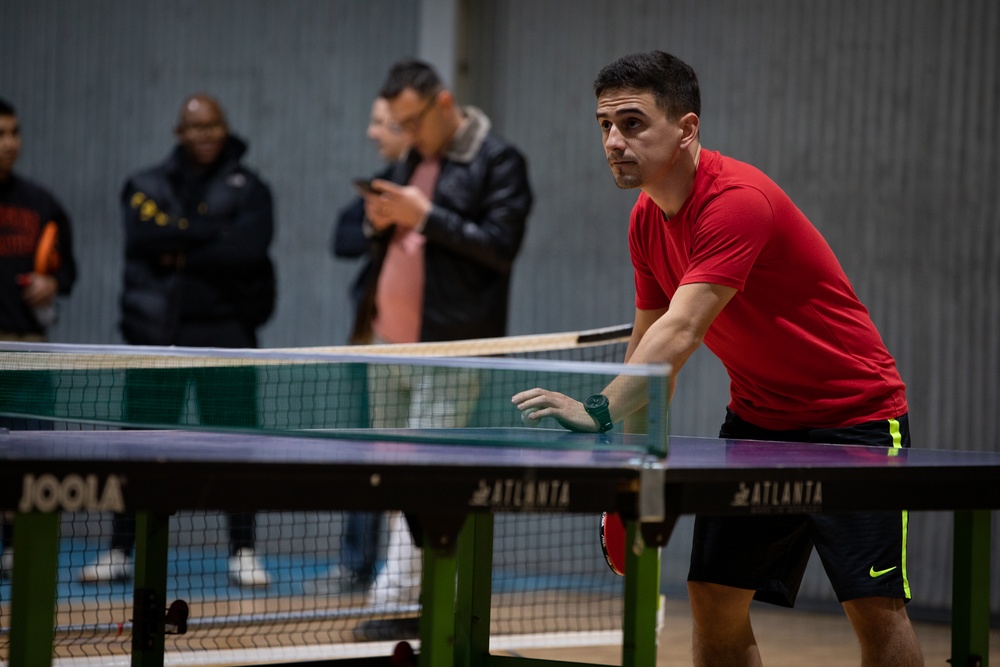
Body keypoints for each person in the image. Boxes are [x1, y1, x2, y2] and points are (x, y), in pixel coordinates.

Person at [512, 51, 924, 666]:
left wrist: (597, 409)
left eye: (632, 123)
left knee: (873, 607)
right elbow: (650, 343)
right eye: (604, 126)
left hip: (853, 418)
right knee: (713, 597)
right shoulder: (646, 220)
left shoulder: (736, 201)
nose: (614, 141)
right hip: (759, 422)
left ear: (686, 127)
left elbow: (684, 329)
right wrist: (631, 455)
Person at [350, 59, 533, 640]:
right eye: (396, 122)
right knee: (392, 472)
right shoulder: (413, 158)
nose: (406, 133)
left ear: (444, 103)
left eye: (411, 120)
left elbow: (499, 246)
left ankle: (399, 598)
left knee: (426, 472)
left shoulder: (498, 161)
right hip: (389, 344)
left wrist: (423, 215)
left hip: (452, 347)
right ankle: (413, 593)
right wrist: (381, 221)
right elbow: (404, 243)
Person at [78, 94, 276, 588]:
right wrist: (214, 237)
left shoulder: (250, 188)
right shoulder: (146, 184)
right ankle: (121, 547)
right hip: (156, 337)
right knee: (139, 447)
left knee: (237, 447)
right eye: (196, 127)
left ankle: (243, 549)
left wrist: (181, 243)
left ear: (225, 128)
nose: (206, 135)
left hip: (227, 336)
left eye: (214, 125)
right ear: (179, 133)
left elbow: (248, 252)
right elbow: (144, 242)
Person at [316, 97, 410, 596]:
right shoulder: (379, 187)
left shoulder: (427, 191)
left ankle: (404, 570)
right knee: (366, 450)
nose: (373, 133)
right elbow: (341, 239)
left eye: (381, 124)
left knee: (409, 458)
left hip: (418, 346)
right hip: (370, 335)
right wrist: (376, 224)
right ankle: (356, 562)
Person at [0, 97, 78, 578]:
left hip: (26, 351)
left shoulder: (41, 202)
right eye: (0, 134)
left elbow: (66, 268)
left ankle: (16, 549)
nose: (9, 143)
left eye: (14, 132)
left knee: (27, 462)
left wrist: (55, 282)